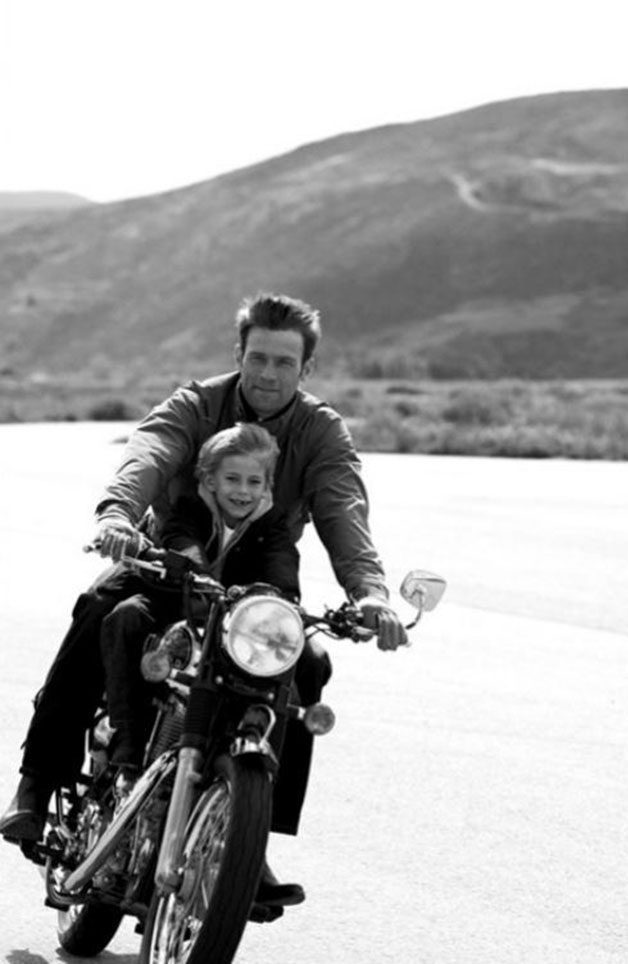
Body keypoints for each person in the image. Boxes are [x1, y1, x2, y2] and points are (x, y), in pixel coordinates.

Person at [0, 292, 407, 902]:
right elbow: (150, 452)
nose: (268, 373)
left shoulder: (320, 431)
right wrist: (117, 515)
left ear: (307, 369)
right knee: (101, 611)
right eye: (258, 358)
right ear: (239, 354)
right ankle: (37, 781)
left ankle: (247, 838)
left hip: (257, 582)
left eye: (284, 362)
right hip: (168, 562)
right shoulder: (196, 404)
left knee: (308, 662)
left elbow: (343, 507)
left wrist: (371, 593)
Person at [102, 422, 300, 772]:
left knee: (307, 658)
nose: (243, 491)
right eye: (232, 479)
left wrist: (280, 596)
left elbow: (281, 559)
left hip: (240, 622)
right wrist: (196, 573)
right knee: (127, 616)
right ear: (210, 480)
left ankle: (268, 789)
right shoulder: (191, 506)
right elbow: (182, 538)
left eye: (254, 482)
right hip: (179, 602)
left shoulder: (272, 522)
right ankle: (127, 743)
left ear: (267, 485)